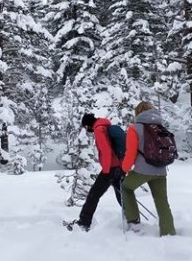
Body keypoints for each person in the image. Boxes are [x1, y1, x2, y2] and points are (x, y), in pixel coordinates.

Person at [120, 101, 176, 236]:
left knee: (126, 188)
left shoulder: (134, 128)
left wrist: (125, 168)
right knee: (162, 201)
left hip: (142, 171)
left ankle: (134, 224)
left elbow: (131, 152)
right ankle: (168, 232)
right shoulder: (160, 126)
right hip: (161, 170)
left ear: (138, 113)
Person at [69, 113, 126, 231]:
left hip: (110, 168)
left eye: (85, 127)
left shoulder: (99, 130)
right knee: (123, 194)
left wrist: (106, 170)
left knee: (93, 195)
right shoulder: (105, 126)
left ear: (88, 125)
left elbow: (106, 150)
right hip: (118, 167)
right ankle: (132, 218)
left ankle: (84, 223)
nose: (86, 130)